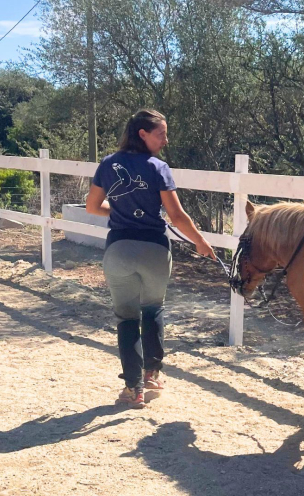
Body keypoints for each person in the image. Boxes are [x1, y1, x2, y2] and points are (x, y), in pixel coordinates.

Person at [87, 109, 216, 408]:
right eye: (161, 134)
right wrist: (200, 242)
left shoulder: (108, 164)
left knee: (126, 317)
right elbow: (177, 216)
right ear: (142, 134)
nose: (166, 140)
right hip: (155, 251)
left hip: (119, 249)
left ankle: (133, 390)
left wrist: (121, 213)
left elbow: (93, 207)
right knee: (153, 309)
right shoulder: (159, 167)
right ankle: (152, 375)